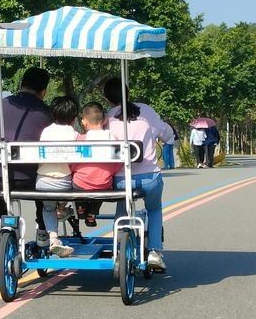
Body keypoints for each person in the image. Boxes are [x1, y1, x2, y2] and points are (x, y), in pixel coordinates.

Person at [103, 77, 176, 273]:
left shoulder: (106, 118)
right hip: (149, 178)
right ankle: (154, 251)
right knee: (154, 209)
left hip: (120, 179)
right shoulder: (146, 111)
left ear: (107, 99)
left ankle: (119, 247)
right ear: (128, 93)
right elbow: (167, 134)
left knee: (123, 205)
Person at [0, 67, 51, 250]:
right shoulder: (45, 111)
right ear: (43, 91)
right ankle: (43, 229)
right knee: (48, 183)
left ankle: (1, 245)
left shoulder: (0, 105)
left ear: (21, 85)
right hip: (26, 179)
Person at [35, 95, 79, 257]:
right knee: (74, 182)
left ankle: (53, 238)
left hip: (42, 182)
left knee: (47, 207)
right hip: (63, 183)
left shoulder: (46, 131)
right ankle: (62, 208)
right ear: (74, 118)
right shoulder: (73, 133)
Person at [70, 101, 120, 227]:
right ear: (104, 121)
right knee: (101, 186)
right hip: (103, 184)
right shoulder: (113, 140)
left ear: (84, 121)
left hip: (80, 184)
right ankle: (91, 214)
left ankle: (80, 207)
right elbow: (118, 165)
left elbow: (73, 164)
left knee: (78, 182)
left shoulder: (81, 140)